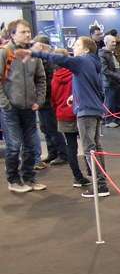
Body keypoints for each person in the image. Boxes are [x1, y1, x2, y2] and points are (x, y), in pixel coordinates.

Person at [18, 36, 110, 198]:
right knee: (96, 147)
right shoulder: (93, 63)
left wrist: (35, 53)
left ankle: (100, 185)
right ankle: (101, 181)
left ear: (86, 49)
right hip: (94, 109)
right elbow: (94, 87)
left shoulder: (81, 61)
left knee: (90, 149)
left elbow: (58, 58)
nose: (73, 47)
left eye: (76, 45)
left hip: (86, 112)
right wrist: (76, 96)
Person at [1, 20, 47, 193]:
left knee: (30, 146)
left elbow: (41, 79)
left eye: (28, 31)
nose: (27, 34)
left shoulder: (33, 54)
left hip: (29, 107)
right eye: (23, 32)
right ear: (12, 34)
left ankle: (29, 178)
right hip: (10, 108)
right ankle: (13, 180)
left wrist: (39, 100)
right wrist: (5, 103)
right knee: (14, 146)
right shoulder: (5, 53)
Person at [50, 50, 91, 188]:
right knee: (88, 144)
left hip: (63, 115)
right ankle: (92, 171)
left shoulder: (55, 78)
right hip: (80, 113)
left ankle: (77, 177)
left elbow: (54, 99)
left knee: (71, 147)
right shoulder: (76, 74)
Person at [31, 35, 68, 166]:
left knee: (52, 128)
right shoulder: (41, 60)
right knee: (45, 128)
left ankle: (62, 154)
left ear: (41, 46)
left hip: (49, 101)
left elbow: (49, 83)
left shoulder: (50, 61)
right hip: (42, 101)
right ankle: (53, 153)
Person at [99, 34, 120, 127]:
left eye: (115, 41)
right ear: (106, 43)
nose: (115, 43)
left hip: (116, 82)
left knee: (117, 102)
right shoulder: (102, 54)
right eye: (112, 42)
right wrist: (119, 77)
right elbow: (105, 70)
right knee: (109, 102)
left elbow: (116, 67)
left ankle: (116, 118)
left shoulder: (112, 53)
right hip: (109, 83)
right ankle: (108, 120)